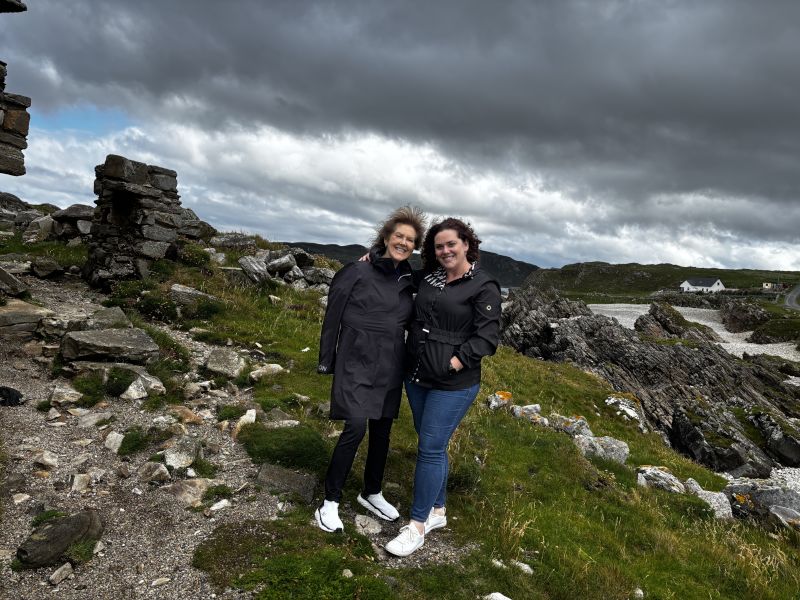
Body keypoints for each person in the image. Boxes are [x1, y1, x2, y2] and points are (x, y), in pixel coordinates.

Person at [385, 217, 501, 556]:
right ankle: (438, 511)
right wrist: (372, 258)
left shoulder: (484, 285)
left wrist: (455, 361)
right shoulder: (429, 278)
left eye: (451, 243)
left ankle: (417, 525)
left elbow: (487, 337)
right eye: (439, 246)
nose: (445, 250)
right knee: (431, 443)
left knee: (431, 448)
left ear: (467, 244)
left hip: (453, 382)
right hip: (417, 376)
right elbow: (397, 271)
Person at [315, 206, 426, 533]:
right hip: (356, 359)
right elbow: (332, 316)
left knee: (382, 429)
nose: (403, 243)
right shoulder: (356, 271)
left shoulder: (409, 278)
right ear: (387, 237)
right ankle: (330, 502)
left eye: (410, 240)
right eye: (399, 236)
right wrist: (327, 359)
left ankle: (371, 491)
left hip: (390, 363)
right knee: (355, 426)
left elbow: (441, 274)